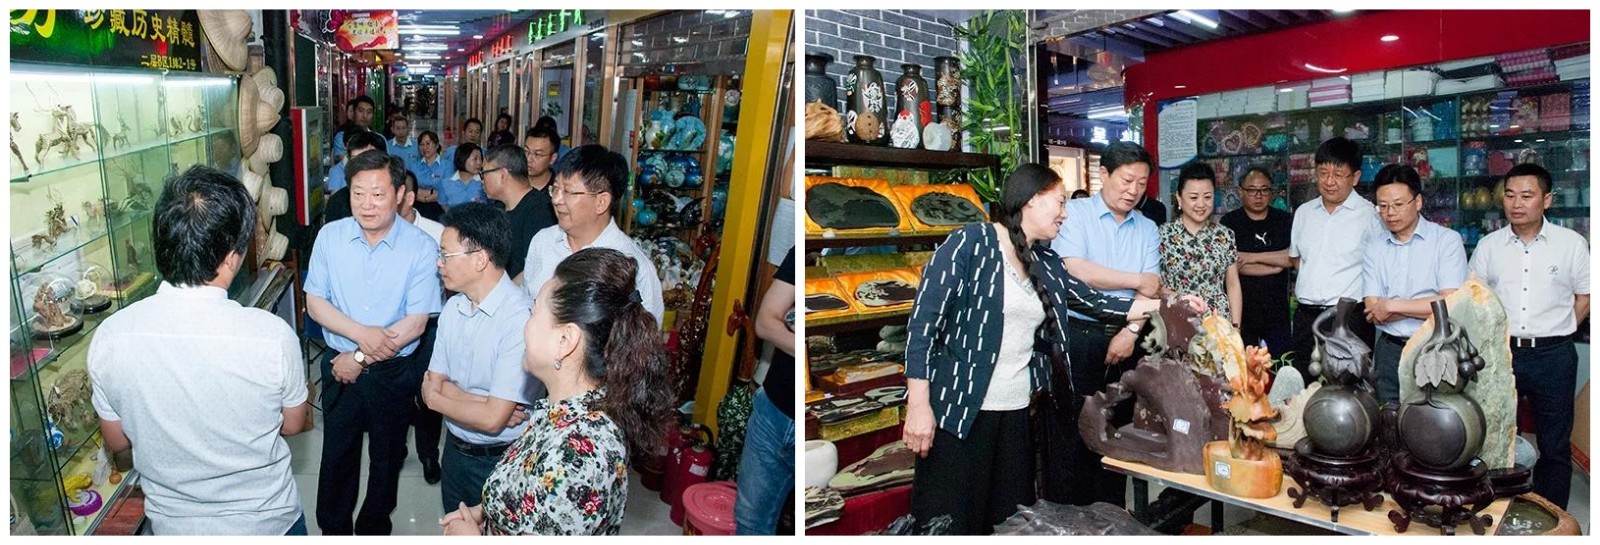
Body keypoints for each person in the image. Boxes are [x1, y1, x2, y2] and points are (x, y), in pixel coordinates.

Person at [905, 164, 1182, 534]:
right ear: (1031, 200)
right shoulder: (971, 243)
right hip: (960, 412)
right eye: (1060, 202)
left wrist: (1171, 305)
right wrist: (918, 406)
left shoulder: (1046, 262)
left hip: (1016, 414)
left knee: (1007, 522)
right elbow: (922, 327)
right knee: (951, 521)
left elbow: (1098, 303)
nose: (1065, 214)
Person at [88, 166, 310, 535]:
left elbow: (118, 440)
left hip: (175, 527)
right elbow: (293, 423)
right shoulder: (271, 336)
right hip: (267, 523)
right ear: (231, 258)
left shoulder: (111, 337)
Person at [439, 248, 674, 535]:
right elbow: (529, 498)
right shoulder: (564, 410)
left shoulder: (579, 455)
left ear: (565, 340)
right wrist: (486, 512)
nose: (526, 324)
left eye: (534, 311)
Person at [305, 151, 442, 535]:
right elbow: (315, 302)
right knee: (337, 456)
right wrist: (361, 337)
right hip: (339, 366)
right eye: (358, 193)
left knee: (387, 459)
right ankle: (334, 531)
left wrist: (361, 356)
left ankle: (373, 529)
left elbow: (415, 323)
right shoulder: (330, 237)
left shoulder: (420, 246)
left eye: (378, 194)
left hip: (392, 371)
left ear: (399, 194)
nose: (367, 204)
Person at [1468, 163, 1590, 509]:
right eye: (1510, 195)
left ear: (1546, 200)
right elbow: (1474, 298)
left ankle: (1551, 517)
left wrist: (1559, 329)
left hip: (1554, 356)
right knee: (1499, 439)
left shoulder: (1571, 244)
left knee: (1554, 445)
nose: (1517, 203)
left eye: (1527, 195)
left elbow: (1586, 297)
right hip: (1502, 355)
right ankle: (1499, 511)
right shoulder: (1490, 246)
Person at [1047, 141, 1162, 508]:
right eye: (1127, 180)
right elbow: (1075, 270)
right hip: (1079, 338)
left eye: (1141, 183)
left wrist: (1130, 333)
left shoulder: (1147, 228)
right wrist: (1134, 278)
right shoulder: (1075, 214)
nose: (1133, 190)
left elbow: (1152, 288)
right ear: (1104, 174)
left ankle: (1110, 515)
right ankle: (1067, 517)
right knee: (1072, 434)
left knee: (1117, 432)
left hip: (1129, 338)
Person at [420, 203, 540, 513]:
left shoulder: (519, 319)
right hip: (454, 452)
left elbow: (491, 421)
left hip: (502, 459)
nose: (439, 263)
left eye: (446, 255)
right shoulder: (452, 309)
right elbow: (432, 381)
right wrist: (484, 403)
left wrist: (436, 400)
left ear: (480, 259)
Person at [522, 145, 664, 324]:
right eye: (555, 189)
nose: (556, 200)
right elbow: (525, 308)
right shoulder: (543, 242)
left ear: (601, 202)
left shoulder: (634, 265)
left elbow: (645, 336)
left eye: (568, 192)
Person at [1362, 164, 1467, 405]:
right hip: (1389, 351)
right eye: (1383, 206)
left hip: (1435, 348)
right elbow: (1373, 310)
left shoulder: (1446, 241)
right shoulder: (1374, 247)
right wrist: (1426, 306)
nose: (1390, 213)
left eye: (1398, 204)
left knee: (1432, 419)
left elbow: (1450, 304)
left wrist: (1391, 306)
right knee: (1388, 417)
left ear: (1417, 202)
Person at [1288, 137, 1382, 380]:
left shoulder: (1370, 216)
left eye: (1338, 174)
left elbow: (1380, 269)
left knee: (1349, 389)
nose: (1329, 181)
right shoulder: (1304, 213)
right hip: (1306, 318)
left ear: (1356, 177)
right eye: (1323, 173)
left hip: (1349, 320)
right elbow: (1297, 260)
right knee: (1303, 385)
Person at [733, 247, 797, 535]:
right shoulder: (800, 252)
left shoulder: (877, 249)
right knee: (749, 519)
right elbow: (765, 322)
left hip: (816, 413)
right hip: (773, 409)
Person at [398, 169, 445, 485]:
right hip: (393, 326)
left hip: (430, 324)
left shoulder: (436, 232)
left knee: (429, 390)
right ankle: (398, 448)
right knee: (397, 391)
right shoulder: (380, 234)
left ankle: (429, 454)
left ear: (409, 197)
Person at [1221, 167, 1294, 355]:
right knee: (1244, 366)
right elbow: (1232, 267)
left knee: (1282, 365)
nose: (1258, 196)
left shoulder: (1284, 220)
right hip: (1242, 313)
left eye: (1264, 190)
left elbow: (1290, 259)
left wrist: (1250, 257)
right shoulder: (1229, 223)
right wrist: (1274, 265)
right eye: (1252, 190)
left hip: (1277, 312)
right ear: (1241, 192)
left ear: (1271, 192)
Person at [1160, 162, 1242, 324]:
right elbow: (1155, 286)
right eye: (1193, 197)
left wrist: (1235, 326)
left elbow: (1233, 284)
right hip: (1177, 321)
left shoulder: (1225, 235)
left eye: (1207, 197)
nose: (1201, 204)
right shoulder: (1163, 235)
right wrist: (1179, 299)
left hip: (1218, 322)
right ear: (1179, 198)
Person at [481, 144, 556, 281]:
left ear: (502, 175)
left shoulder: (540, 211)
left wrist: (503, 292)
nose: (482, 180)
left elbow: (534, 268)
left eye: (484, 174)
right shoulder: (497, 208)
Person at [325, 131, 387, 222]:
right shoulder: (337, 201)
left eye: (366, 159)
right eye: (354, 160)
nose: (359, 166)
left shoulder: (394, 196)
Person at [408, 130, 451, 221]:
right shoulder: (414, 166)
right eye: (421, 144)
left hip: (440, 207)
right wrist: (431, 193)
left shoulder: (447, 165)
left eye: (428, 143)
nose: (425, 147)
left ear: (437, 145)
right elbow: (411, 188)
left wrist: (420, 191)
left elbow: (446, 190)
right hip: (417, 207)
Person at [441, 142, 488, 209]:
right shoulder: (446, 183)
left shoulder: (485, 182)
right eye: (475, 159)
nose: (479, 162)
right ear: (462, 159)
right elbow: (444, 204)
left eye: (480, 158)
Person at [334, 95, 376, 161]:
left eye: (369, 112)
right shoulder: (341, 137)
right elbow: (346, 162)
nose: (365, 116)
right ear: (353, 113)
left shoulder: (378, 138)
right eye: (361, 111)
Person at [523, 125, 560, 194]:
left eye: (537, 154)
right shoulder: (513, 182)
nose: (528, 159)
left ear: (552, 158)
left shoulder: (559, 190)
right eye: (526, 152)